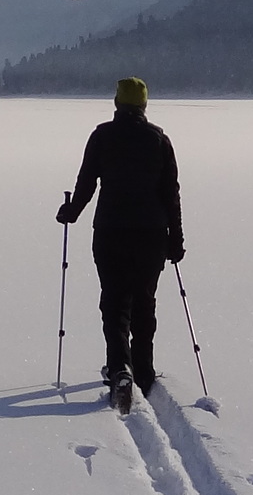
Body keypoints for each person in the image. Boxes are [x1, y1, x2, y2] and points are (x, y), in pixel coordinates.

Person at [55, 76, 182, 397]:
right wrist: (176, 238)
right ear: (144, 105)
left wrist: (71, 212)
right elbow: (171, 193)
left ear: (116, 103)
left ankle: (118, 367)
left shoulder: (102, 136)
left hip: (110, 230)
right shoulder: (158, 140)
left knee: (114, 301)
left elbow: (86, 183)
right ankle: (143, 369)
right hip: (151, 234)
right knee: (144, 301)